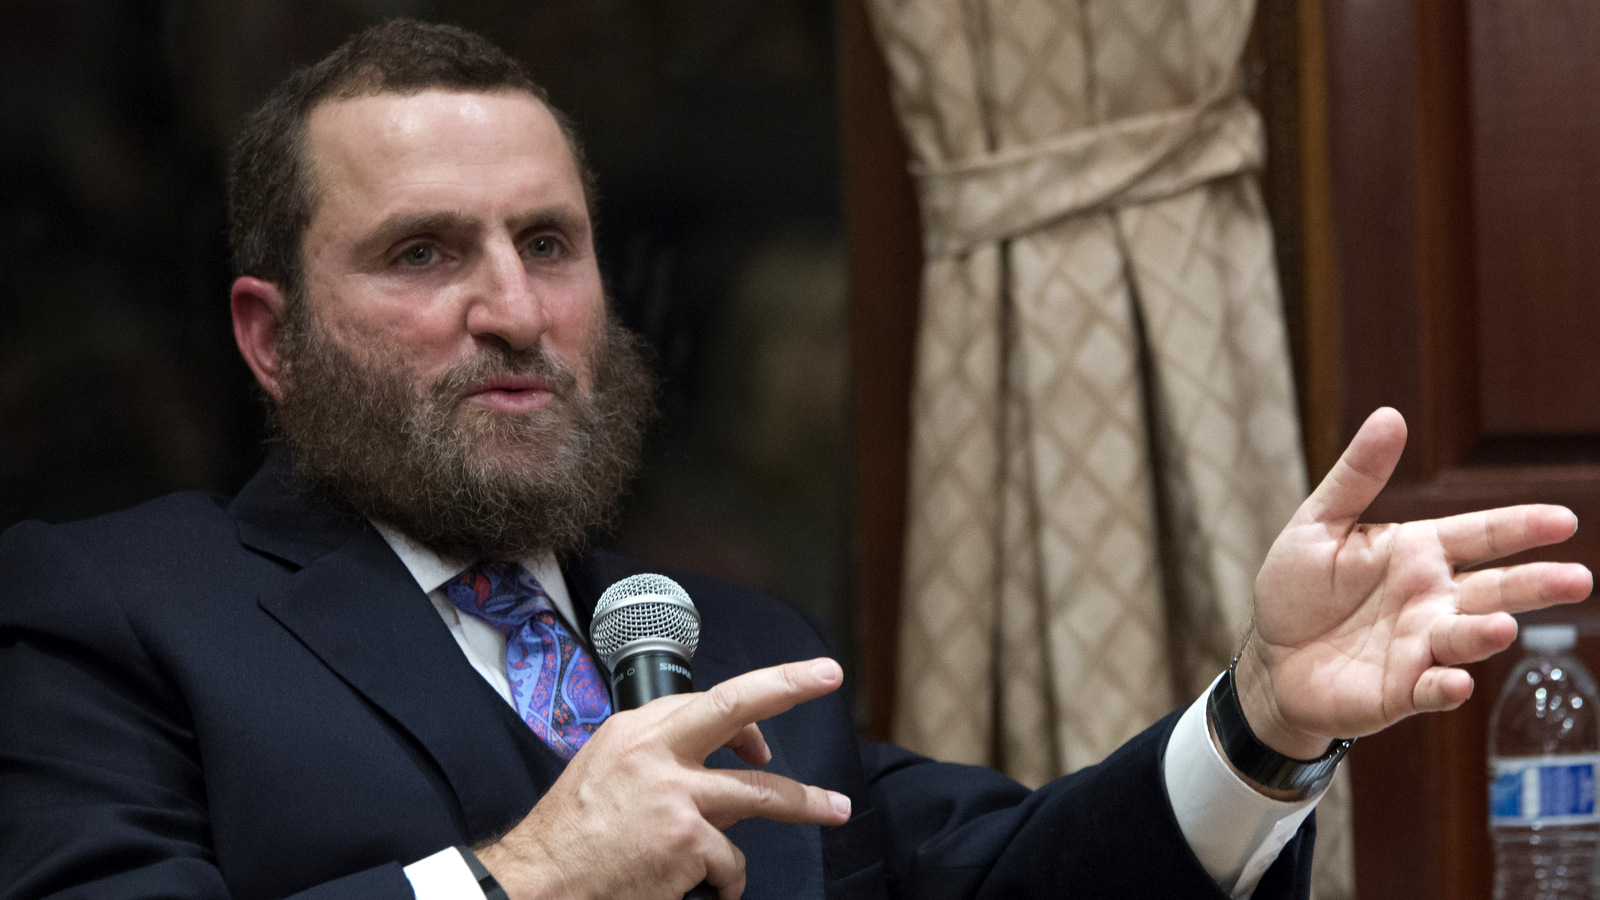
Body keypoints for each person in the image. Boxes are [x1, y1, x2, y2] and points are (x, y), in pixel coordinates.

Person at [0, 19, 1589, 900]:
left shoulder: (730, 648)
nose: (512, 310)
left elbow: (1023, 891)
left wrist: (1258, 720)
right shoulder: (120, 609)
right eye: (424, 252)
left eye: (548, 242)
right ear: (270, 336)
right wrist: (521, 883)